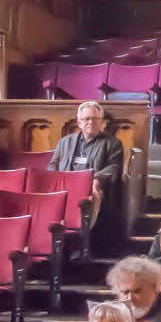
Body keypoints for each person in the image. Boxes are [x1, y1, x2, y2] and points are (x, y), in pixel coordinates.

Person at [51, 102, 128, 246]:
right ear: (79, 122)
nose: (90, 122)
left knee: (91, 197)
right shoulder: (64, 142)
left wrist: (96, 180)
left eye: (95, 118)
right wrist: (55, 185)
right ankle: (55, 239)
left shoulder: (113, 143)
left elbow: (114, 167)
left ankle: (82, 241)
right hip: (65, 187)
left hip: (91, 188)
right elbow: (52, 165)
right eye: (86, 119)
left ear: (101, 121)